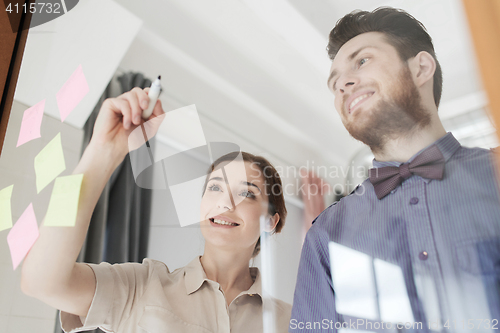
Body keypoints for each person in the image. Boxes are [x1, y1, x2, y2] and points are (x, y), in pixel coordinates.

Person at [291, 7, 500, 332]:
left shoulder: (497, 175)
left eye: (362, 61)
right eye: (334, 84)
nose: (343, 84)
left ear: (421, 68)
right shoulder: (325, 235)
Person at [20, 87, 291, 332]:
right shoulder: (142, 286)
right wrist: (104, 150)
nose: (225, 202)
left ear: (270, 221)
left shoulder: (290, 321)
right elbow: (40, 280)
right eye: (216, 188)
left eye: (246, 193)